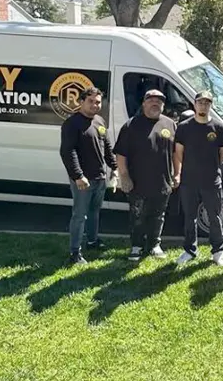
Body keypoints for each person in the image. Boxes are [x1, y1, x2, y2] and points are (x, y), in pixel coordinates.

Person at [113, 89, 177, 262]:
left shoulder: (170, 124)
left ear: (163, 105)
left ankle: (154, 244)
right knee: (137, 215)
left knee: (158, 215)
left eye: (159, 101)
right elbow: (121, 154)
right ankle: (136, 246)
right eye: (150, 100)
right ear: (143, 104)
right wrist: (124, 177)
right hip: (137, 182)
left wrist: (177, 174)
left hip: (163, 181)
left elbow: (177, 153)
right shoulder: (131, 125)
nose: (155, 103)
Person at [59, 86, 117, 264]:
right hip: (83, 180)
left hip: (99, 177)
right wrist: (78, 176)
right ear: (81, 101)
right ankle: (75, 253)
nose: (95, 105)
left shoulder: (99, 121)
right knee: (80, 215)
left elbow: (106, 146)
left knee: (94, 212)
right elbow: (67, 152)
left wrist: (114, 167)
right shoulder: (72, 123)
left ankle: (92, 241)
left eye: (98, 102)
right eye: (90, 101)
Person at [174, 90, 223, 267]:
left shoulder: (218, 128)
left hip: (212, 180)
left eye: (207, 103)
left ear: (210, 106)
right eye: (200, 102)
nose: (203, 106)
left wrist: (210, 168)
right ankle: (190, 250)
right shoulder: (184, 127)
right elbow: (179, 153)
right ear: (194, 104)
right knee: (190, 216)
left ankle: (218, 251)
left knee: (214, 216)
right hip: (189, 180)